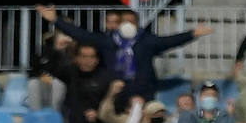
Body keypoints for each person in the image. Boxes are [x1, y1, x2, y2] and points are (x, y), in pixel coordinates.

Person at [37, 6, 211, 102]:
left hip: (143, 95)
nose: (128, 25)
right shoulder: (108, 41)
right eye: (124, 22)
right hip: (115, 95)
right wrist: (56, 20)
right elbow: (82, 35)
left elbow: (169, 41)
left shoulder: (147, 41)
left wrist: (192, 34)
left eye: (131, 22)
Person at [60, 44, 114, 123]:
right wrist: (59, 48)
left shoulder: (105, 77)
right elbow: (52, 68)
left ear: (97, 59)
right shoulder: (70, 73)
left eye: (91, 57)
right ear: (77, 58)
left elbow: (113, 103)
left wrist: (98, 113)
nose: (87, 60)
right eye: (83, 56)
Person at [27, 29, 73, 111]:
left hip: (65, 91)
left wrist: (52, 78)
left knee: (57, 83)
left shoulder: (73, 55)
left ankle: (54, 114)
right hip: (46, 89)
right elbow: (32, 71)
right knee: (33, 83)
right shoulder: (46, 53)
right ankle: (36, 114)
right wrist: (41, 76)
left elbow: (68, 75)